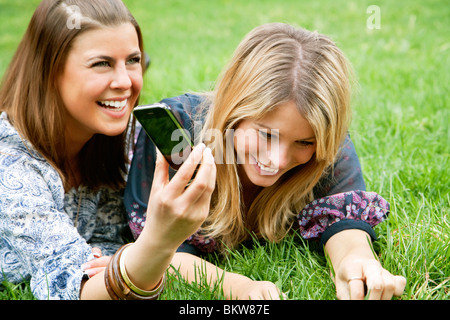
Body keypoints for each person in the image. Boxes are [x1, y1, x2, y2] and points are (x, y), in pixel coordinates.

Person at [125, 23, 407, 300]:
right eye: (266, 135)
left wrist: (357, 261)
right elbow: (160, 249)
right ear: (233, 110)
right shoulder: (178, 130)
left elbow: (343, 221)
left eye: (303, 143)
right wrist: (238, 287)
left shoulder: (322, 142)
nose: (278, 159)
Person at [0, 0, 216, 300]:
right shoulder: (9, 166)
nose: (125, 81)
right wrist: (156, 241)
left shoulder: (124, 143)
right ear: (49, 71)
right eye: (101, 63)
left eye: (133, 60)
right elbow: (75, 289)